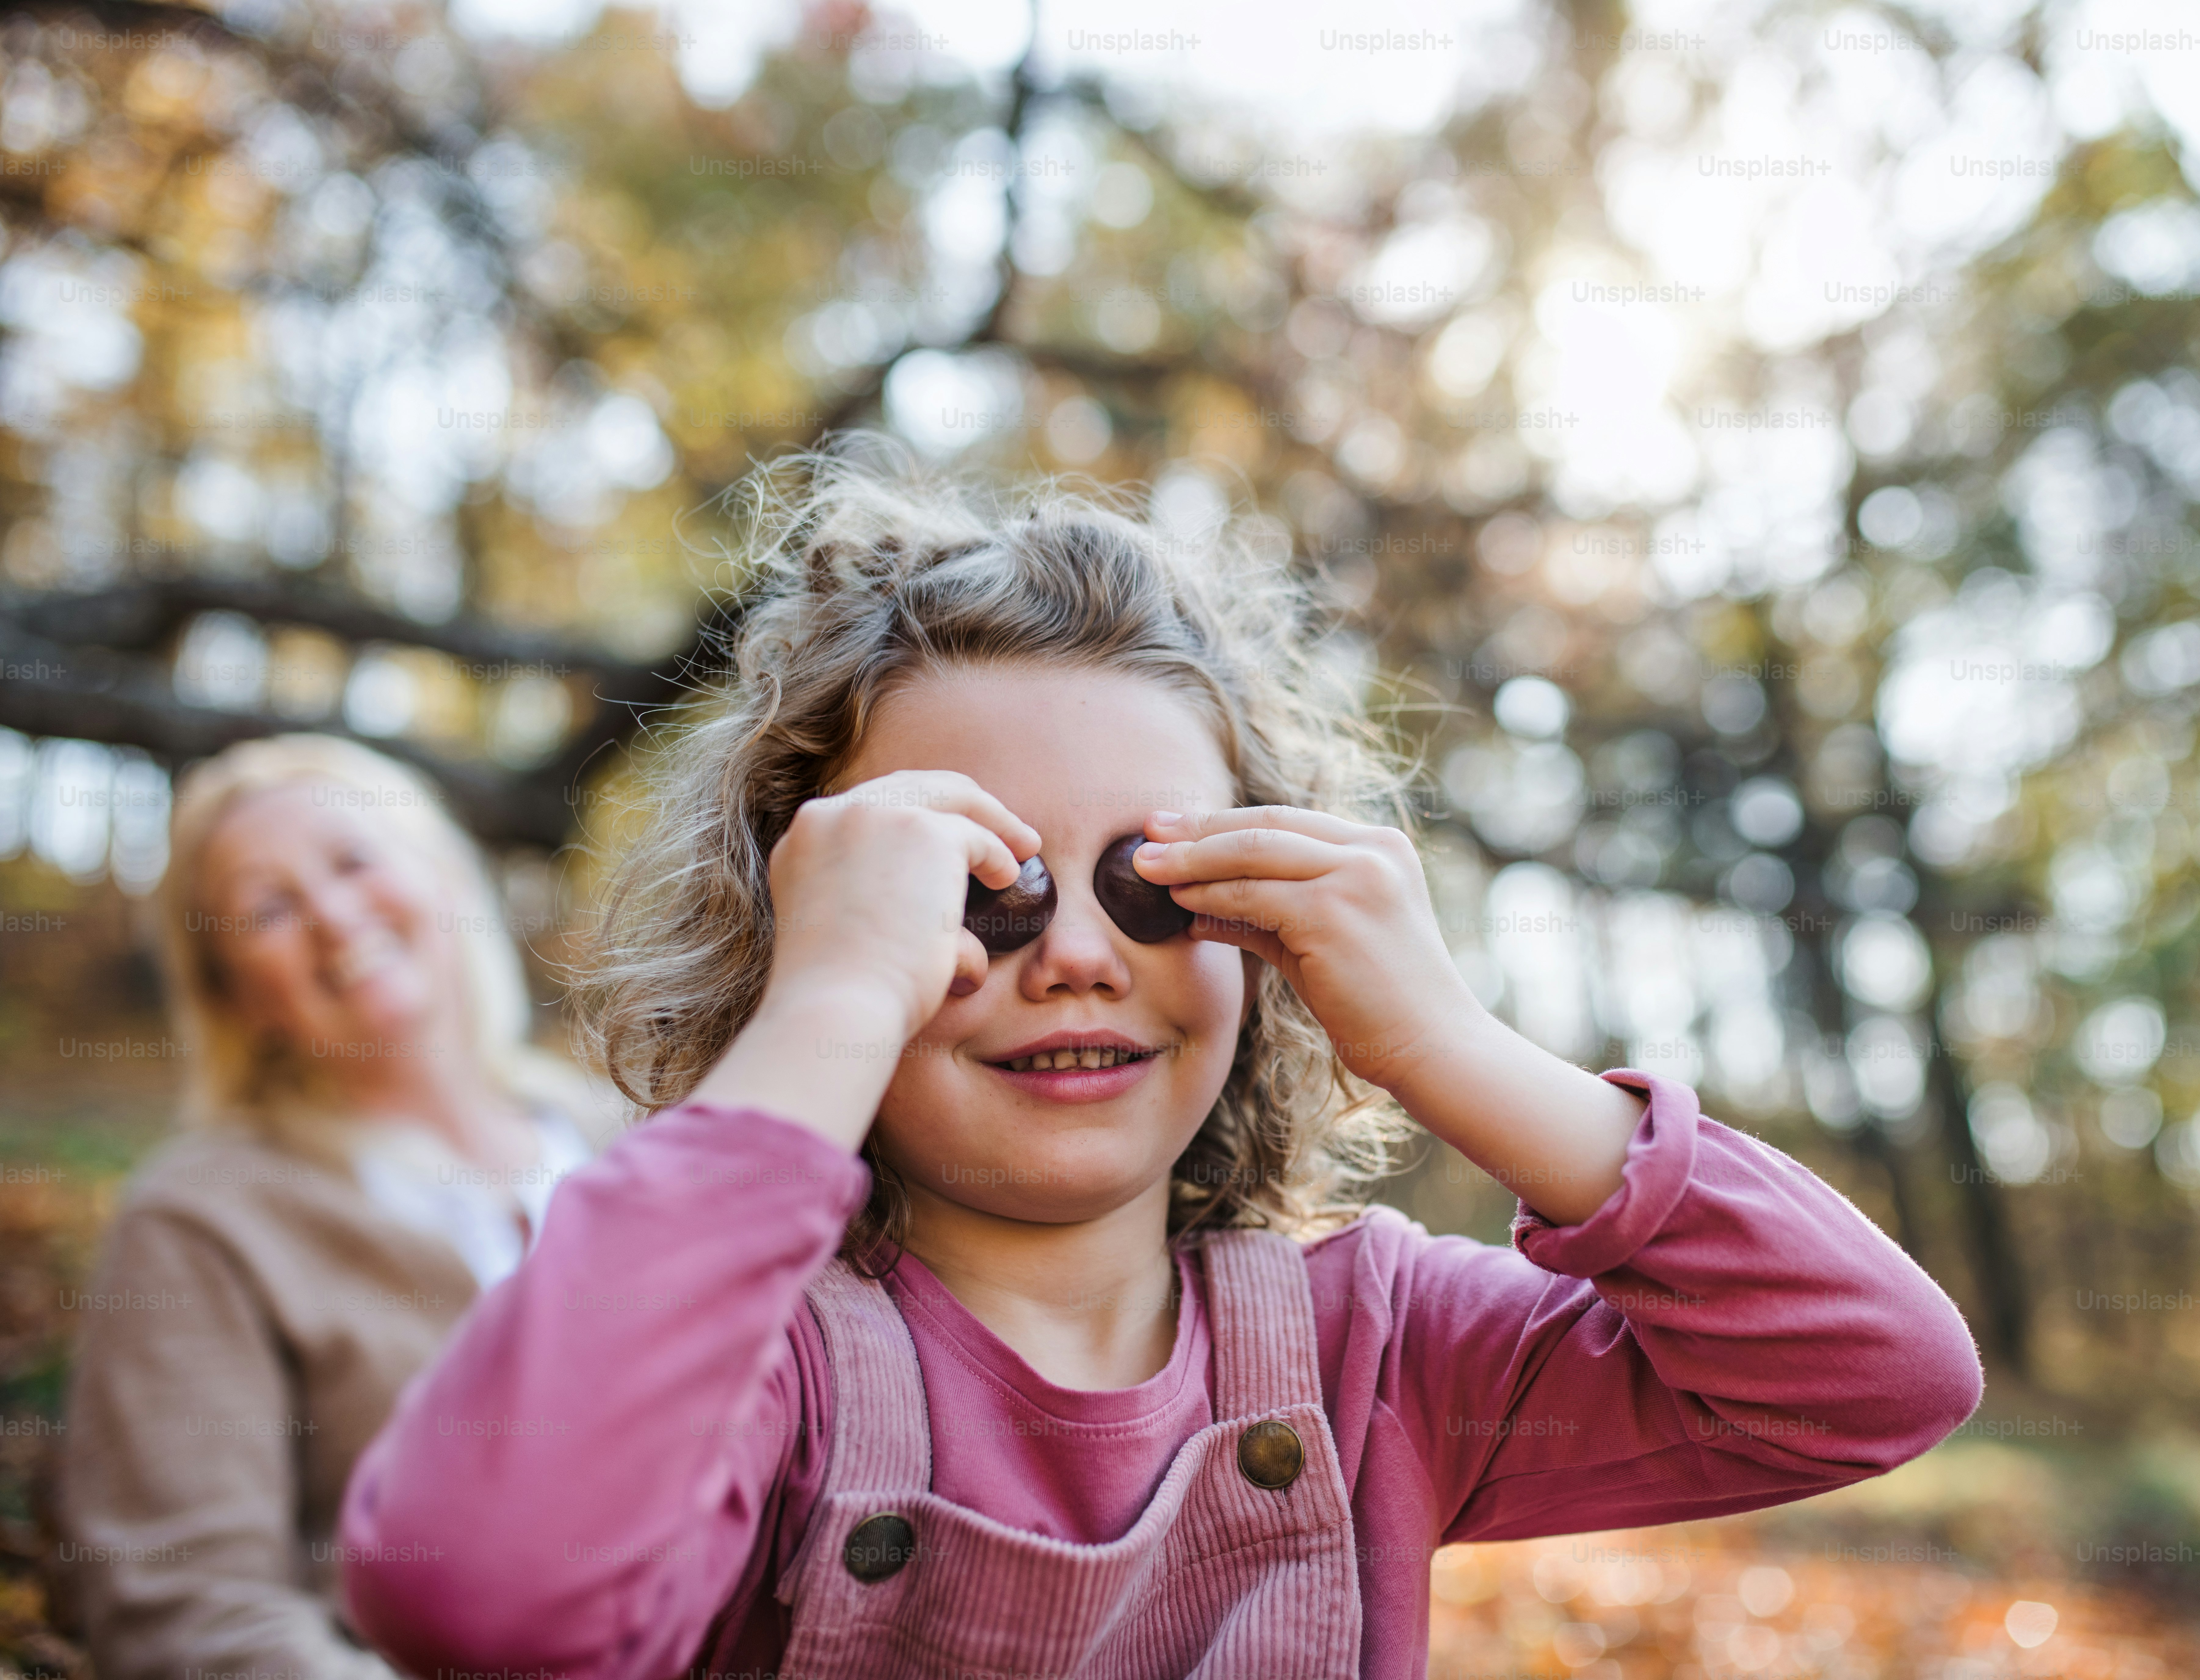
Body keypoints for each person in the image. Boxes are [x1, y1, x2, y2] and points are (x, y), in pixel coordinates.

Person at [335, 442, 1984, 1679]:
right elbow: (479, 1589)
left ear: (1261, 942)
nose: (1075, 955)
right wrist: (827, 1014)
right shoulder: (763, 1376)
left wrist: (1445, 1043)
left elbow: (1872, 1381)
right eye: (981, 891)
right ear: (817, 925)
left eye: (1152, 886)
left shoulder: (1378, 1360)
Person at [56, 733, 619, 1679]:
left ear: (443, 872)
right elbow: (184, 1615)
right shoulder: (203, 1222)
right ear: (237, 997)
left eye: (355, 861)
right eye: (269, 909)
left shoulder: (638, 1135)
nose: (331, 914)